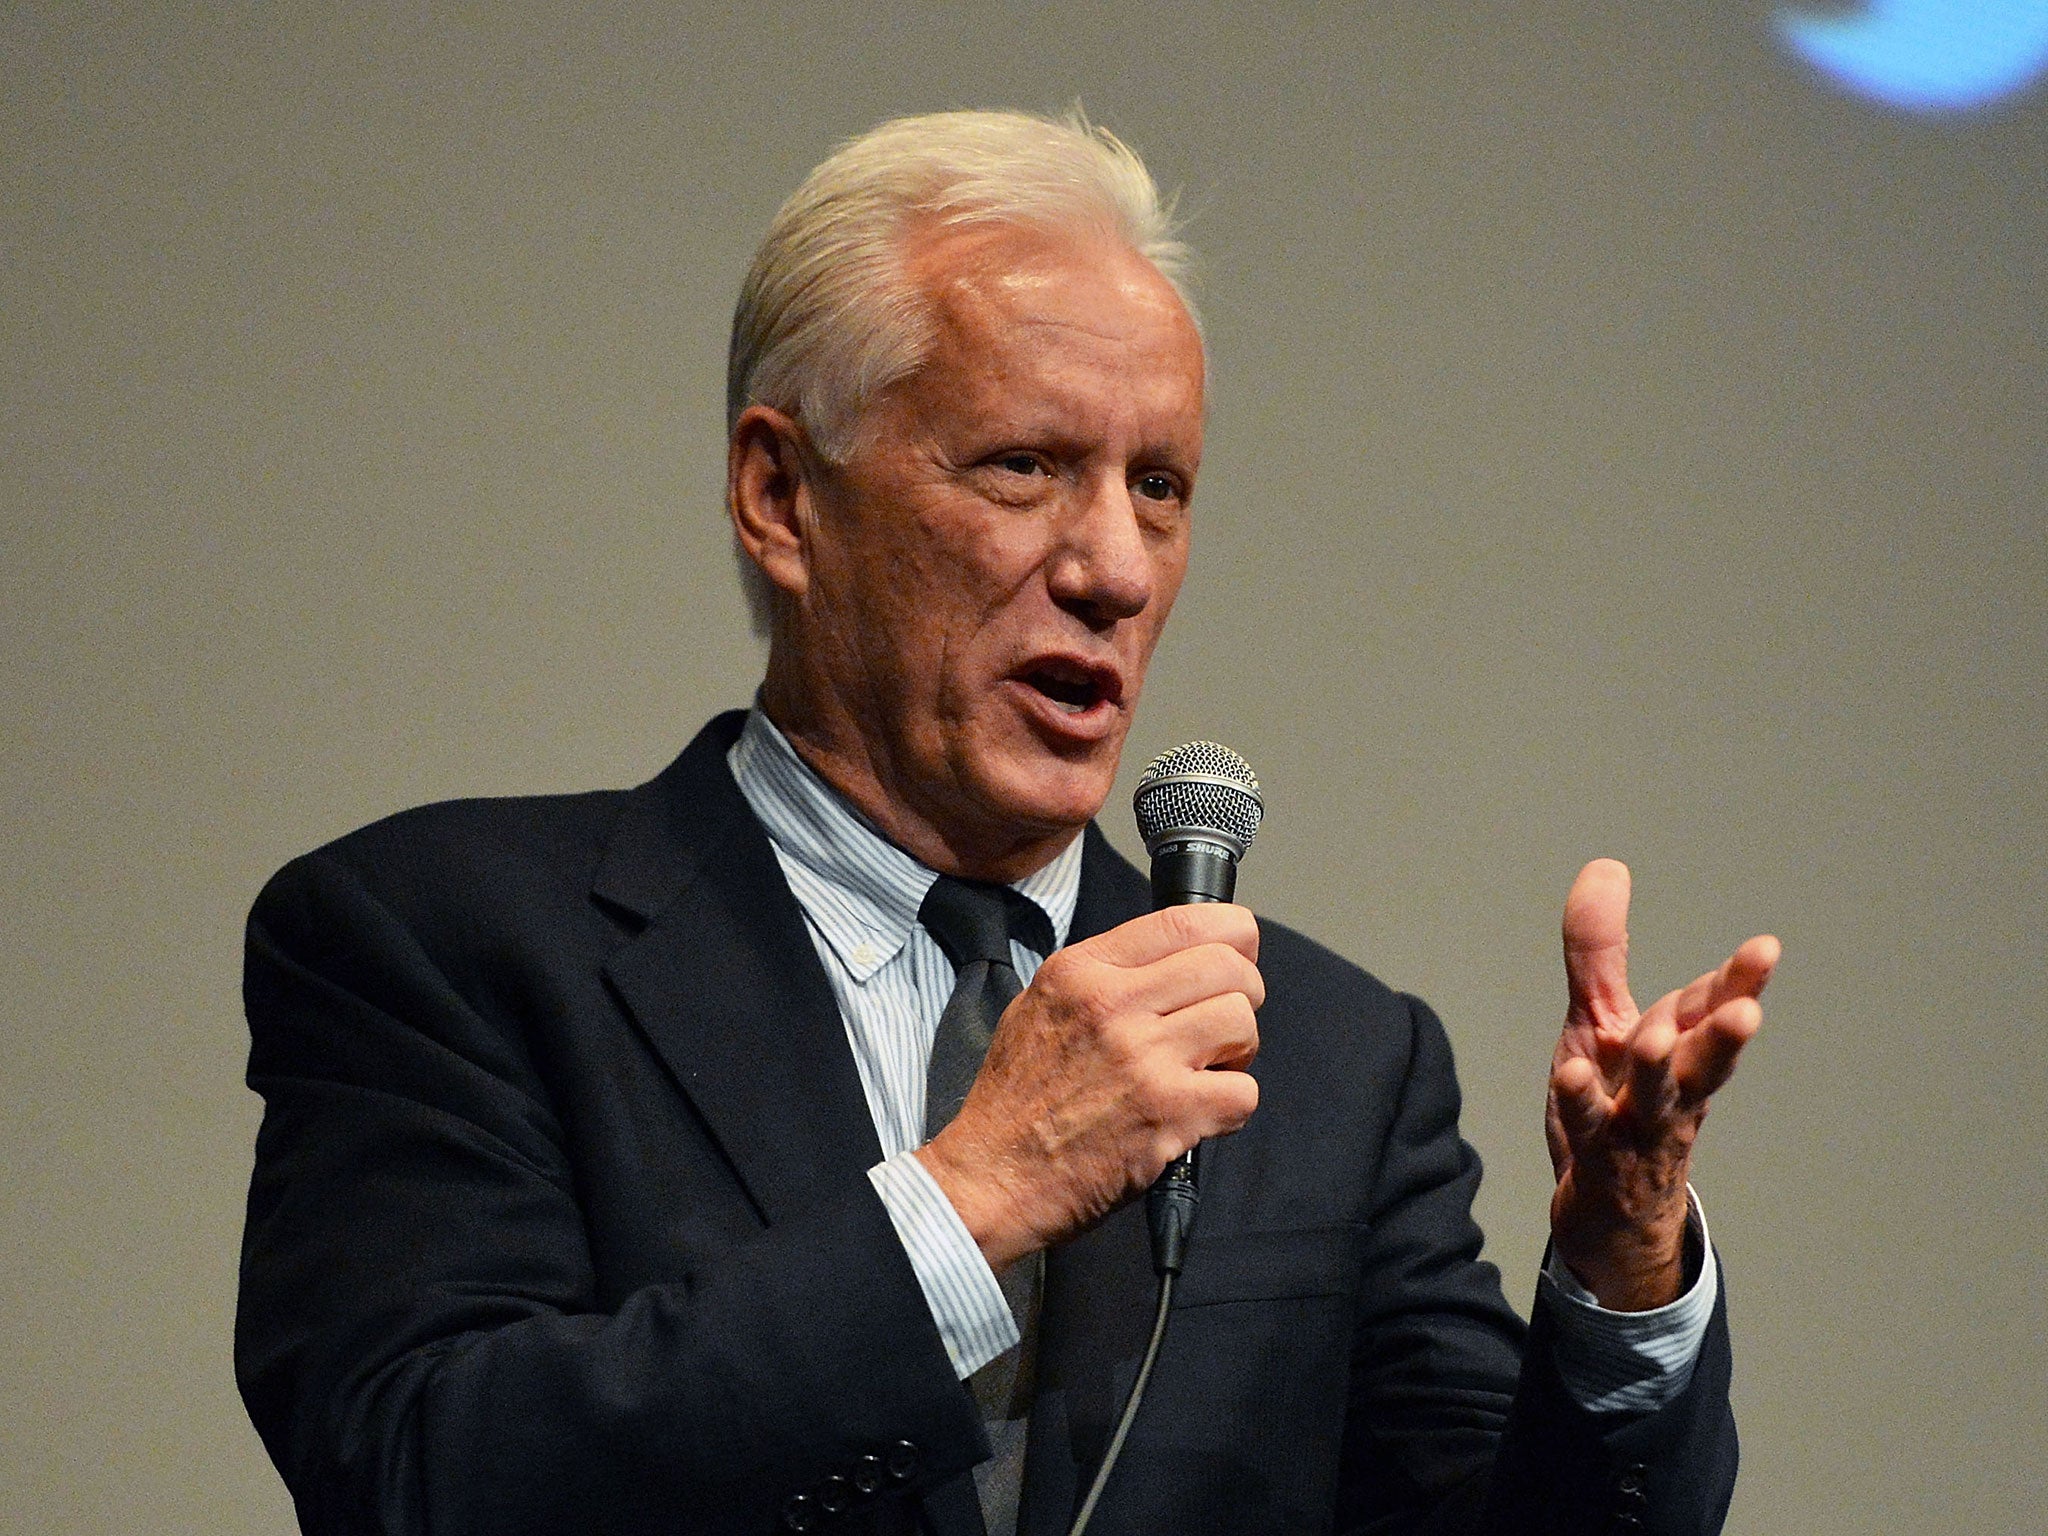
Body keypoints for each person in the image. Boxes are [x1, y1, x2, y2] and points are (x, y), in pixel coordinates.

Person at [236, 110, 1780, 1536]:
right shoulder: (444, 941)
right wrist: (971, 1199)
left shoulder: (1329, 1058)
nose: (1114, 567)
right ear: (782, 497)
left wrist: (1626, 1263)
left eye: (1159, 486)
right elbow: (418, 1473)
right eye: (1025, 466)